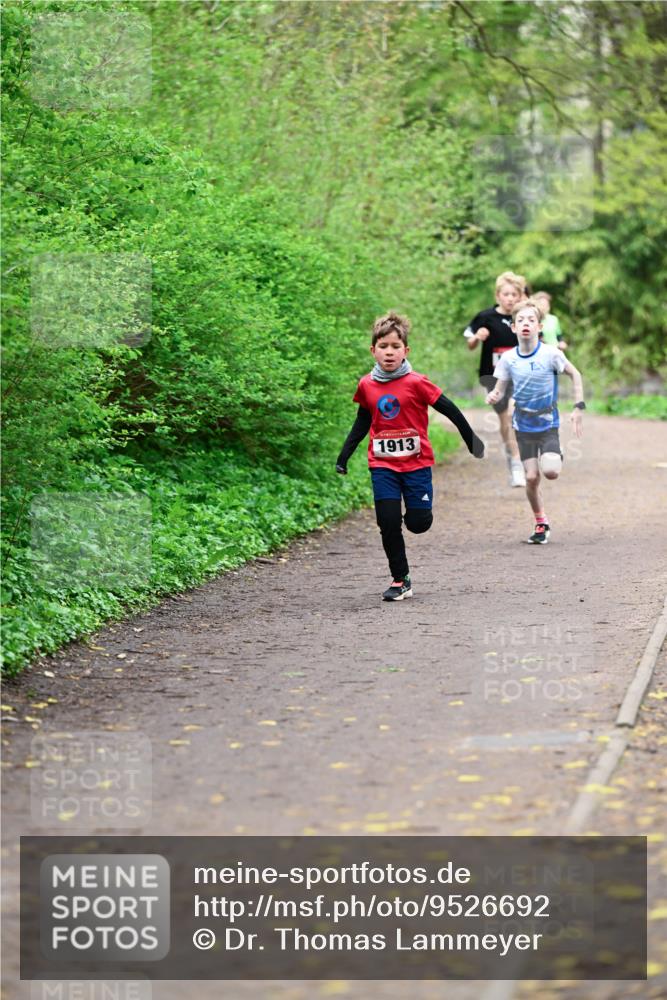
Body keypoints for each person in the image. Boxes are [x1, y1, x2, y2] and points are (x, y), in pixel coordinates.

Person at [336, 311, 484, 600]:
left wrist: (471, 440)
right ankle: (400, 578)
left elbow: (450, 409)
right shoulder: (367, 385)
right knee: (388, 521)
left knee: (418, 523)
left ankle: (420, 509)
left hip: (416, 465)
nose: (389, 353)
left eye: (395, 347)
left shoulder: (417, 382)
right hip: (383, 466)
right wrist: (344, 455)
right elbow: (362, 421)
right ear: (373, 350)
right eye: (383, 347)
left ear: (406, 350)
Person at [485, 299, 585, 545]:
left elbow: (575, 373)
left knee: (550, 471)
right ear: (513, 328)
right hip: (523, 426)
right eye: (521, 320)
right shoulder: (508, 359)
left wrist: (578, 406)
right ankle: (541, 522)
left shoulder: (551, 353)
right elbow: (499, 388)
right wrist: (494, 395)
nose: (526, 324)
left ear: (539, 326)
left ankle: (555, 453)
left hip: (548, 424)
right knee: (531, 477)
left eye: (531, 320)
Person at [463, 271, 527, 488]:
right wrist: (476, 338)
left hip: (520, 376)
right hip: (493, 378)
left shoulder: (524, 318)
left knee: (513, 415)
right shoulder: (485, 317)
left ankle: (519, 460)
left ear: (520, 296)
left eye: (514, 294)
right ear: (498, 295)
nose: (510, 298)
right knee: (505, 421)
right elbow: (470, 344)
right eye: (506, 294)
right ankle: (514, 459)